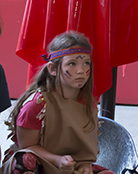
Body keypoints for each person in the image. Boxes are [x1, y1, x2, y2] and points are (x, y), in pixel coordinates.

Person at [1, 31, 113, 174]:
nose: (81, 70)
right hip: (41, 164)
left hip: (71, 166)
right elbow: (27, 147)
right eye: (72, 64)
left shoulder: (88, 104)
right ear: (53, 69)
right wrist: (57, 160)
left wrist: (85, 164)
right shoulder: (37, 104)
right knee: (25, 160)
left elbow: (85, 147)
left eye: (86, 63)